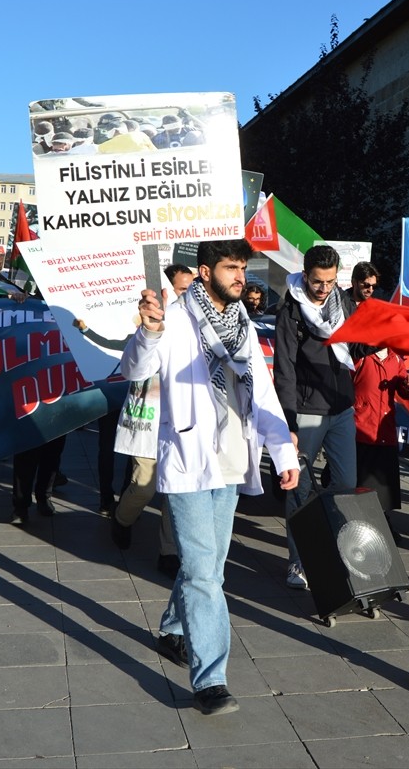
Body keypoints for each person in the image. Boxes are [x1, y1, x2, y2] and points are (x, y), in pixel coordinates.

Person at [121, 239, 298, 716]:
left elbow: (262, 390)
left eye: (244, 267)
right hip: (187, 458)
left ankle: (175, 628)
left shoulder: (242, 324)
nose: (241, 276)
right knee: (203, 573)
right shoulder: (173, 317)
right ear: (204, 272)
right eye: (231, 268)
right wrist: (149, 332)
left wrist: (282, 450)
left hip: (233, 459)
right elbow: (135, 370)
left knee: (209, 568)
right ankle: (211, 680)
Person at [274, 244, 361, 590]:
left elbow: (355, 347)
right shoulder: (291, 311)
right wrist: (289, 422)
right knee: (301, 488)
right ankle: (298, 561)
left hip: (341, 407)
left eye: (329, 281)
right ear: (305, 275)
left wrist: (381, 337)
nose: (323, 288)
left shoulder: (345, 305)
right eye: (317, 282)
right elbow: (284, 370)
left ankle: (339, 553)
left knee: (345, 485)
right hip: (307, 410)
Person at [110, 264, 194, 578]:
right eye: (183, 289)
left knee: (175, 490)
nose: (189, 295)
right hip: (148, 420)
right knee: (143, 488)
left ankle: (168, 551)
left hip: (182, 423)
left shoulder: (198, 323)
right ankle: (122, 518)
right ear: (167, 291)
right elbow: (132, 366)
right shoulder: (150, 321)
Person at [353, 345, 409, 541]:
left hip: (384, 429)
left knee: (384, 482)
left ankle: (382, 520)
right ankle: (359, 521)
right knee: (361, 481)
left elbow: (404, 392)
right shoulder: (361, 355)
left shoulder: (395, 359)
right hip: (362, 428)